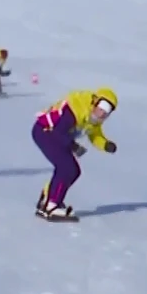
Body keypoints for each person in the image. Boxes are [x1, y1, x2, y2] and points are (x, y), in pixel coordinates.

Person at [30, 86, 119, 221]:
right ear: (95, 101)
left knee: (74, 171)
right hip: (45, 132)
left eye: (108, 110)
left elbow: (95, 135)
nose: (102, 113)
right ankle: (51, 205)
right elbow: (57, 130)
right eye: (102, 105)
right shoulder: (76, 109)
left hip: (58, 137)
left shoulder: (93, 118)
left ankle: (48, 198)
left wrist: (106, 145)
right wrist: (72, 145)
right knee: (66, 168)